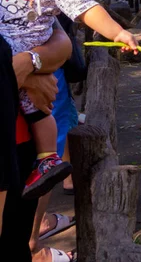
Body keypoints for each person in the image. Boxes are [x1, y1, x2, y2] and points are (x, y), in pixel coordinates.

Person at [0, 0, 138, 202]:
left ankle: (48, 158)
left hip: (32, 56)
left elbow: (87, 9)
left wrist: (117, 33)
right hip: (6, 60)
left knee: (40, 110)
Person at [1, 26, 73, 262]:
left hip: (21, 143)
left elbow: (61, 41)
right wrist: (17, 75)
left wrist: (32, 62)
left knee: (14, 240)